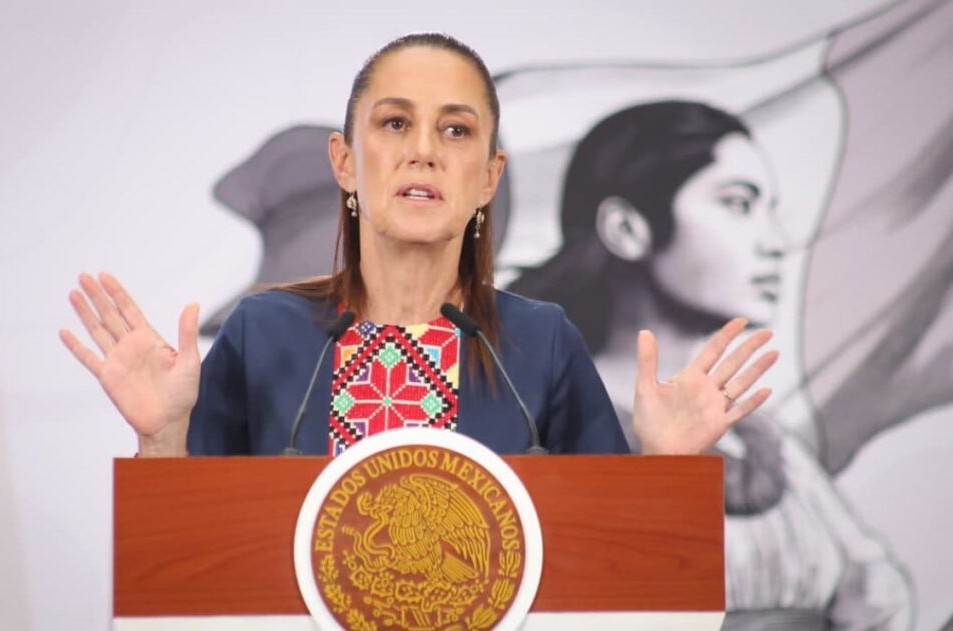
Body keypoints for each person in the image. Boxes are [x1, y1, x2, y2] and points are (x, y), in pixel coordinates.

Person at [58, 34, 776, 460]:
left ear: (490, 176)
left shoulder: (544, 342)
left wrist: (665, 467)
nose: (424, 151)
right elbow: (187, 572)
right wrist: (162, 436)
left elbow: (616, 577)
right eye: (395, 124)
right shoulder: (261, 332)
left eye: (456, 130)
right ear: (344, 162)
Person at [509, 101, 911, 629]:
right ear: (627, 229)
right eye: (738, 204)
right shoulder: (542, 424)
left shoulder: (762, 439)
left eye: (770, 210)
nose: (776, 243)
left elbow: (875, 592)